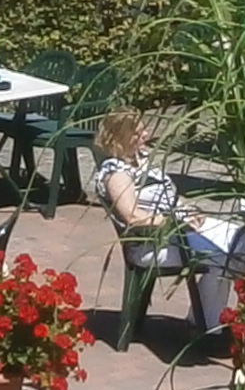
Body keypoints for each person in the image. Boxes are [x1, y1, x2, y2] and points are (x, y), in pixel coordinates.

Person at [90, 110, 236, 350]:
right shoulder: (116, 172)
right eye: (138, 133)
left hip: (178, 233)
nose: (146, 134)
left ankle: (207, 319)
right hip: (153, 244)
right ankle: (207, 324)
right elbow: (133, 216)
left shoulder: (142, 159)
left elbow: (168, 197)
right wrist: (174, 221)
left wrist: (186, 209)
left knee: (237, 237)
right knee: (226, 253)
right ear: (120, 138)